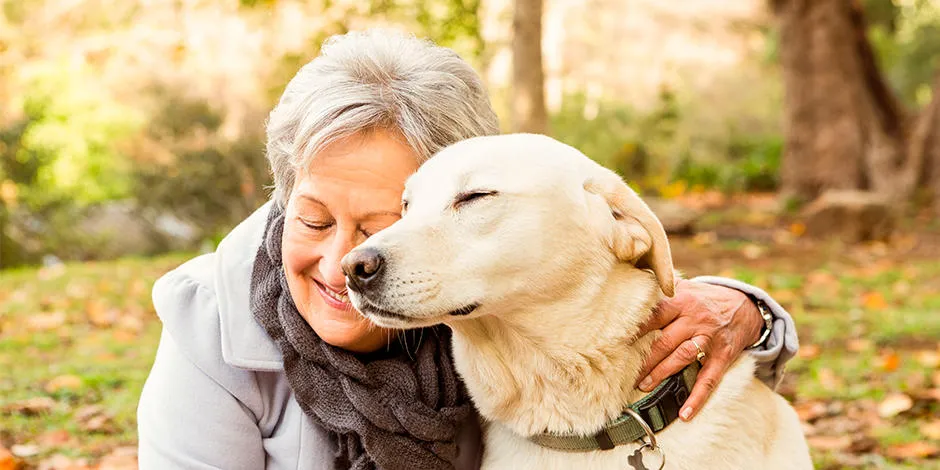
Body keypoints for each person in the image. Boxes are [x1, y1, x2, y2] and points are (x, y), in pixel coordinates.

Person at [136, 29, 798, 470]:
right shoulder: (210, 322)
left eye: (384, 220)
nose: (349, 257)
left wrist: (747, 310)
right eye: (310, 219)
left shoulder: (479, 299)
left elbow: (587, 279)